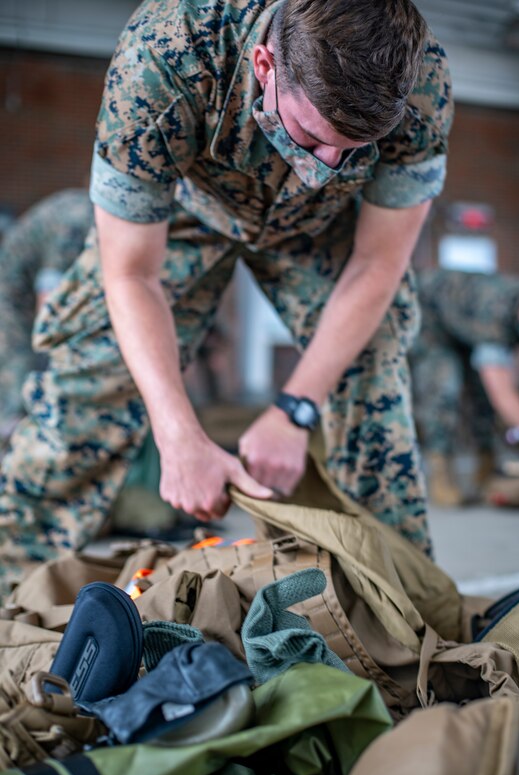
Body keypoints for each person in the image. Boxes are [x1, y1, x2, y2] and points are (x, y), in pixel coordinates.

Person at [0, 0, 453, 573]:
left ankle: (401, 602)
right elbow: (131, 273)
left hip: (323, 226)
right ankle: (12, 587)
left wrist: (295, 409)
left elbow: (378, 266)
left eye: (353, 149)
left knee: (373, 366)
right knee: (93, 373)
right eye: (313, 139)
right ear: (264, 65)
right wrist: (177, 434)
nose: (327, 164)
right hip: (189, 211)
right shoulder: (163, 57)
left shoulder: (420, 81)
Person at [411, 269, 519, 506]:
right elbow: (503, 394)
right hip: (431, 320)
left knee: (481, 398)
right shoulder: (494, 315)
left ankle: (485, 472)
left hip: (468, 325)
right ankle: (441, 475)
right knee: (444, 389)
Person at [0, 189, 93, 445]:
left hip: (26, 288)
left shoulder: (91, 211)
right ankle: (12, 450)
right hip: (11, 293)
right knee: (18, 373)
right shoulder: (78, 223)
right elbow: (49, 301)